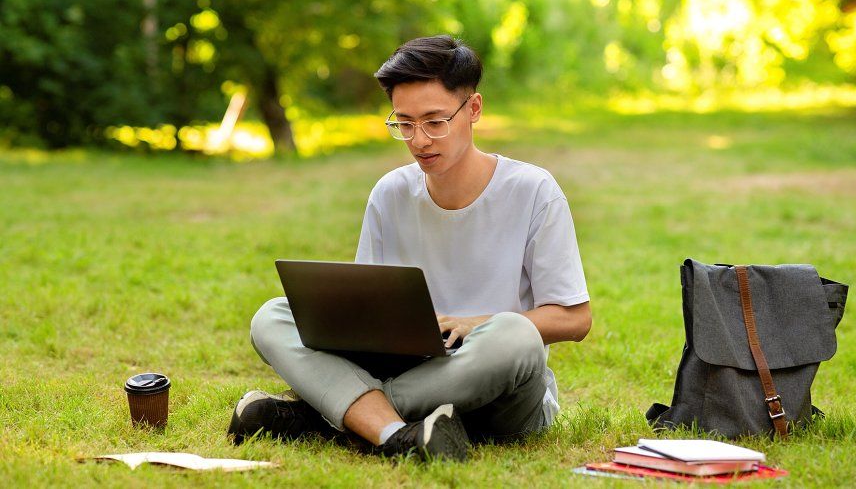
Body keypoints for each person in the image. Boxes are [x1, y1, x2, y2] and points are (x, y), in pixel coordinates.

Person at [229, 35, 591, 462]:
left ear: (473, 109)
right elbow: (364, 311)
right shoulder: (390, 193)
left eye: (435, 122)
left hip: (499, 392)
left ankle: (330, 414)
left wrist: (480, 323)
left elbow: (575, 318)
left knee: (516, 337)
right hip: (409, 365)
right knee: (271, 316)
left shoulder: (534, 191)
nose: (419, 140)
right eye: (404, 123)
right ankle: (399, 434)